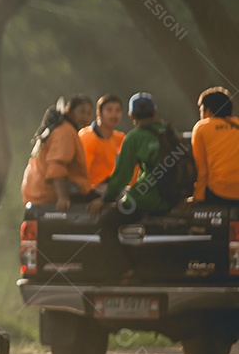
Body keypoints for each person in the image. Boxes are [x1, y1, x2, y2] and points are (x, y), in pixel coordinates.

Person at [88, 93, 174, 282]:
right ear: (155, 112)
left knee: (106, 222)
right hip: (171, 199)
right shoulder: (169, 133)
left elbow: (121, 177)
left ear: (131, 116)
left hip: (144, 199)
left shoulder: (133, 138)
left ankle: (124, 270)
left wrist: (105, 199)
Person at [21, 95, 94, 211]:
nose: (85, 117)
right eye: (82, 112)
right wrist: (63, 197)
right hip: (47, 195)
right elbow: (56, 166)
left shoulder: (65, 129)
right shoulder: (65, 132)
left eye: (89, 113)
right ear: (68, 110)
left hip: (36, 193)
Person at [191, 87, 239, 206]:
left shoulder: (202, 127)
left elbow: (202, 169)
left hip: (219, 192)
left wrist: (198, 197)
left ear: (207, 111)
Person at [79, 93, 127, 194]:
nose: (114, 115)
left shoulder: (117, 137)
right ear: (99, 113)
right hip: (90, 188)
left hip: (108, 183)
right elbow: (81, 174)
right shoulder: (88, 138)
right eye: (109, 110)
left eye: (117, 110)